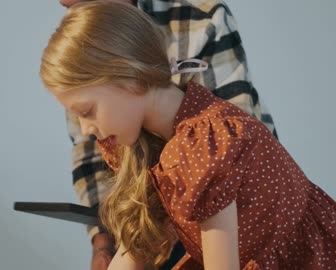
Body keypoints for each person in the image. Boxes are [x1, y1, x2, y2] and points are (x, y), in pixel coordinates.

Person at [40, 1, 336, 269]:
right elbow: (133, 251)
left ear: (128, 78)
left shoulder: (201, 147)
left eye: (87, 111)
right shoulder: (151, 140)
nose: (85, 129)